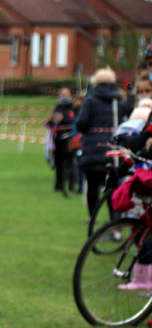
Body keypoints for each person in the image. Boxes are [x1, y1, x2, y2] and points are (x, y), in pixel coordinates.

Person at [76, 67, 121, 221]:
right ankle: (113, 218)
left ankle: (92, 217)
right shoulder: (118, 100)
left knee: (93, 186)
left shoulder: (91, 100)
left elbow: (81, 123)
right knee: (111, 186)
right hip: (113, 148)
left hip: (93, 148)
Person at [46, 87, 76, 196]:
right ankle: (58, 185)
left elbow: (74, 121)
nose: (63, 97)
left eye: (65, 94)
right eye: (62, 94)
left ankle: (71, 186)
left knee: (69, 163)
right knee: (58, 163)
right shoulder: (57, 107)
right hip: (57, 139)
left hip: (69, 138)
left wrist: (62, 119)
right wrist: (52, 120)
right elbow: (52, 122)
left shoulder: (73, 107)